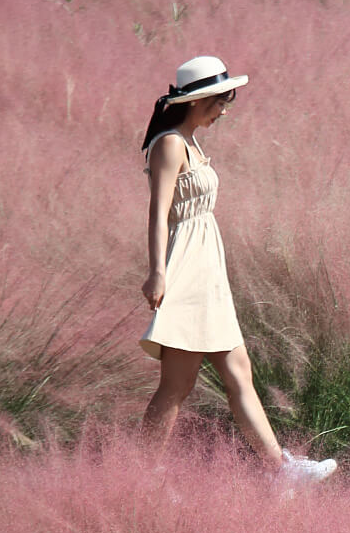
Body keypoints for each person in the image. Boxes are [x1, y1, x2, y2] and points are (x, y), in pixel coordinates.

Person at [138, 55, 335, 486]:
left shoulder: (192, 143)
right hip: (186, 270)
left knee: (237, 370)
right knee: (176, 386)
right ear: (198, 100)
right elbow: (158, 213)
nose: (224, 109)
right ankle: (139, 477)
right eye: (220, 101)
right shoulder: (170, 144)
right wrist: (157, 272)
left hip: (207, 270)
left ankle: (279, 472)